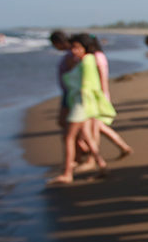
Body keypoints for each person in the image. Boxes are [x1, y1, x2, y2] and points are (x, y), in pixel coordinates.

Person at [48, 34, 115, 185]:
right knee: (87, 136)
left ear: (85, 48)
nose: (73, 50)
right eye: (72, 47)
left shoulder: (87, 61)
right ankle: (102, 165)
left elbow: (85, 84)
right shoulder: (85, 60)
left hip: (82, 104)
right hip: (83, 103)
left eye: (76, 47)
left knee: (69, 137)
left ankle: (67, 173)